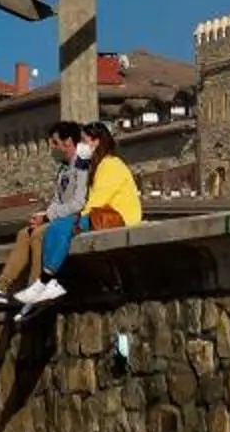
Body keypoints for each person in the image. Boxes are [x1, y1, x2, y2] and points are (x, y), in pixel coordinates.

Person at [8, 122, 141, 322]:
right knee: (56, 228)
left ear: (96, 142)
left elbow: (97, 200)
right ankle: (44, 284)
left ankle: (45, 282)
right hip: (100, 215)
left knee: (61, 228)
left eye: (85, 142)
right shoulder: (96, 165)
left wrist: (76, 218)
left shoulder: (111, 165)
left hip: (115, 218)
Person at [0, 122, 89, 309]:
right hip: (58, 217)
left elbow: (78, 203)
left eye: (55, 143)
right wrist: (43, 214)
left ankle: (35, 289)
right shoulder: (63, 169)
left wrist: (48, 217)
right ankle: (1, 287)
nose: (52, 148)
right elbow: (58, 201)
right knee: (25, 233)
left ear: (68, 142)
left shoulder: (82, 166)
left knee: (39, 234)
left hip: (74, 220)